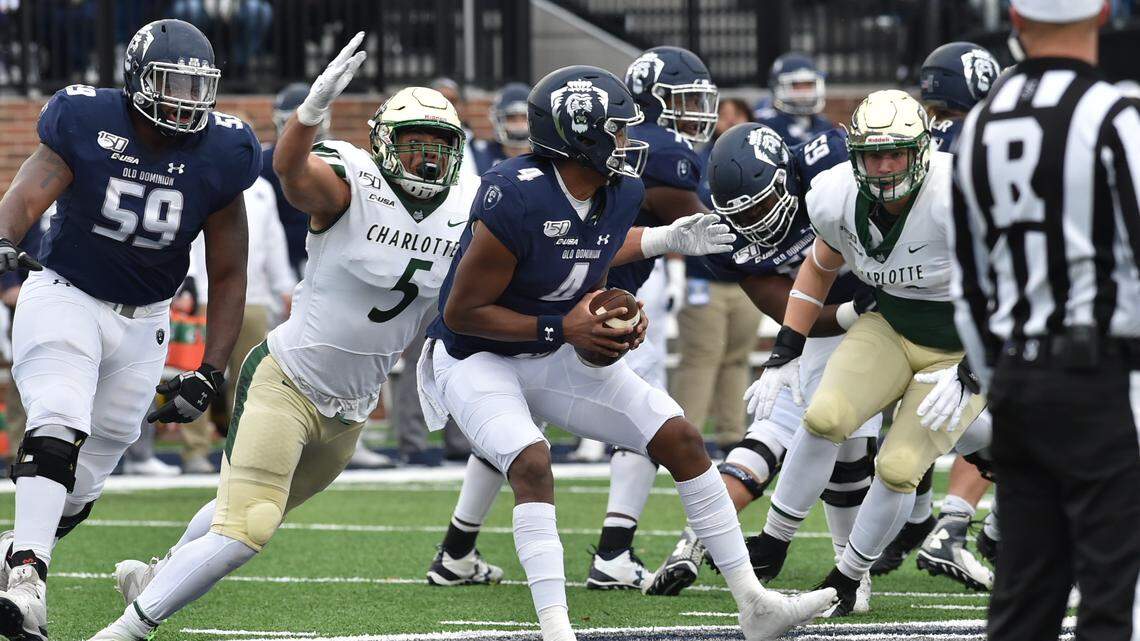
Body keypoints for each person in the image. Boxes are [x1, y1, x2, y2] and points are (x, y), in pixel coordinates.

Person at [416, 63, 834, 641]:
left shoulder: (620, 191)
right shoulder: (513, 195)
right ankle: (556, 629)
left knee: (682, 439)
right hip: (474, 356)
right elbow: (461, 312)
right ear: (578, 135)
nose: (627, 142)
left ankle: (754, 604)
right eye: (614, 130)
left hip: (548, 347)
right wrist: (563, 329)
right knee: (532, 462)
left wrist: (667, 238)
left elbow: (596, 242)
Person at [85, 34, 473, 640]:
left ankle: (154, 574)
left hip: (350, 414)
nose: (426, 161)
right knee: (250, 526)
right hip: (288, 383)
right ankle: (124, 632)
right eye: (414, 146)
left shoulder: (468, 209)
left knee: (237, 509)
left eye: (438, 148)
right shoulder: (354, 181)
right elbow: (289, 169)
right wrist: (310, 114)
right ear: (384, 145)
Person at [0, 19, 260, 640]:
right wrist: (5, 238)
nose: (187, 101)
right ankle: (28, 584)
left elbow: (229, 272)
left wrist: (211, 370)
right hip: (66, 294)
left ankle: (15, 549)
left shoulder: (226, 152)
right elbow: (27, 194)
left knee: (83, 483)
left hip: (146, 321)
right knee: (58, 419)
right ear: (139, 81)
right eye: (173, 85)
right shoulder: (85, 119)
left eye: (198, 88)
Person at [747, 89, 987, 616]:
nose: (882, 165)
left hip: (960, 348)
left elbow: (1012, 284)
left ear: (920, 150)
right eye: (872, 154)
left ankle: (848, 577)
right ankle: (773, 539)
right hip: (890, 326)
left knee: (900, 467)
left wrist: (974, 366)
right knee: (825, 415)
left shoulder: (956, 194)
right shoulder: (835, 194)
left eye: (895, 153)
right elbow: (817, 267)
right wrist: (785, 349)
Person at [948, 1, 1140, 639]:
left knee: (1024, 600)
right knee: (1115, 596)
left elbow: (970, 286)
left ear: (1015, 19)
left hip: (1018, 377)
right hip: (1104, 379)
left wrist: (997, 379)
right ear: (1105, 14)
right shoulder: (1113, 115)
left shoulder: (978, 127)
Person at [643, 122, 881, 603]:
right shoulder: (727, 237)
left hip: (901, 291)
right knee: (836, 435)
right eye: (742, 213)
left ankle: (701, 537)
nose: (756, 222)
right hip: (829, 318)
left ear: (787, 175)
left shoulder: (829, 164)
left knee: (805, 431)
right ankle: (853, 574)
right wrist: (856, 312)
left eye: (764, 204)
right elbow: (788, 308)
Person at [870, 41, 1001, 585]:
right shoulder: (988, 138)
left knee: (923, 417)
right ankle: (956, 526)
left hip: (897, 303)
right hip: (977, 300)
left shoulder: (912, 141)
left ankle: (922, 525)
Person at [753, 53, 833, 146]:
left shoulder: (823, 124)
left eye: (808, 85)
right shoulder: (764, 124)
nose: (804, 93)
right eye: (796, 85)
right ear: (777, 87)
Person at [470, 82, 532, 174]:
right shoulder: (479, 155)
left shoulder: (546, 159)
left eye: (524, 117)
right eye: (511, 117)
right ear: (497, 119)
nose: (519, 124)